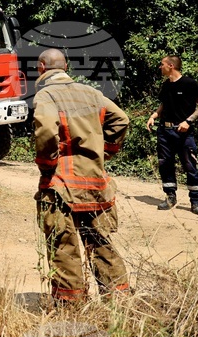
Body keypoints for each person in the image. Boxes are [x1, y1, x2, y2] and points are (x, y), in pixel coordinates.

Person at [34, 49, 130, 303]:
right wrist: (104, 152)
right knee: (100, 240)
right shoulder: (91, 93)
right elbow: (121, 120)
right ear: (65, 67)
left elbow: (45, 130)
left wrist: (47, 165)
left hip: (61, 184)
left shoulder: (46, 95)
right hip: (94, 182)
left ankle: (71, 304)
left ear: (42, 67)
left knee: (63, 245)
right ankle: (118, 302)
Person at [145, 55, 198, 215]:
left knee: (190, 166)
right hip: (164, 132)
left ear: (171, 66)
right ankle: (170, 197)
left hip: (184, 133)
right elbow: (164, 104)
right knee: (165, 164)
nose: (160, 67)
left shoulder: (189, 84)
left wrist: (189, 121)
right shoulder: (166, 85)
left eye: (162, 64)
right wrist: (154, 116)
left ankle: (195, 201)